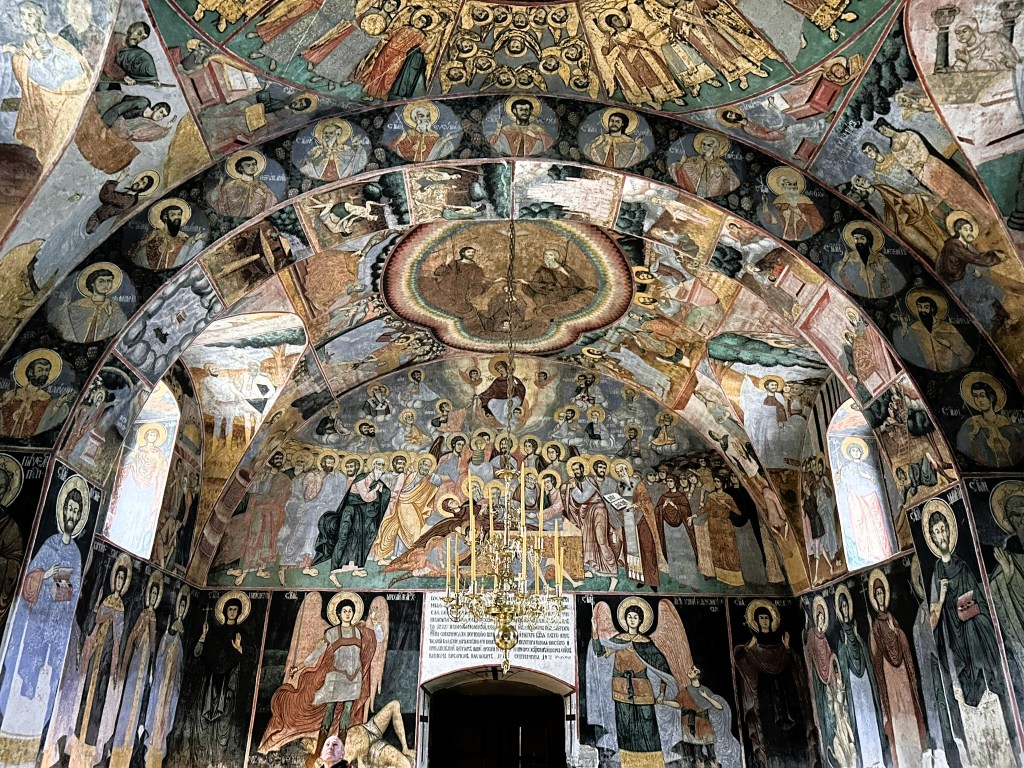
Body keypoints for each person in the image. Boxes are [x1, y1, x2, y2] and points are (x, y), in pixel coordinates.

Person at [924, 503, 1017, 762]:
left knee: (992, 681)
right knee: (966, 693)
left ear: (949, 534)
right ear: (931, 539)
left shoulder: (962, 566)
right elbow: (932, 622)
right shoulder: (935, 575)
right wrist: (942, 598)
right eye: (937, 533)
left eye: (943, 531)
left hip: (975, 629)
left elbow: (978, 597)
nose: (941, 537)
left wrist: (970, 604)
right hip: (956, 643)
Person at [588, 600, 678, 767]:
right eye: (629, 616)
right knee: (625, 727)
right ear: (625, 619)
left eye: (635, 617)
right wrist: (595, 632)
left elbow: (663, 669)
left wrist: (661, 694)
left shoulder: (646, 643)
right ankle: (627, 761)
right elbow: (600, 652)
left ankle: (653, 762)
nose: (631, 619)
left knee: (648, 727)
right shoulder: (618, 640)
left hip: (643, 690)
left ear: (641, 620)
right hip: (621, 689)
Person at [2, 1, 91, 167]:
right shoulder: (27, 45)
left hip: (67, 95)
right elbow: (31, 76)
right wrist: (23, 55)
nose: (25, 19)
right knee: (50, 141)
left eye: (29, 15)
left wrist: (29, 57)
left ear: (39, 18)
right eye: (23, 15)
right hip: (45, 99)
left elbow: (71, 69)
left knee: (61, 136)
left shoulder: (55, 40)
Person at [732, 601, 816, 766]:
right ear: (756, 621)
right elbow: (742, 661)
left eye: (767, 617)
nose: (764, 620)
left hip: (786, 695)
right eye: (761, 618)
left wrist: (786, 648)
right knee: (770, 732)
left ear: (771, 620)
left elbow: (793, 663)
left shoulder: (781, 643)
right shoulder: (754, 645)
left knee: (794, 732)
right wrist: (748, 648)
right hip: (766, 697)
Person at [315, 456, 392, 581]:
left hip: (362, 515)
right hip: (350, 512)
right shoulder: (361, 479)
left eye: (382, 466)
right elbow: (366, 497)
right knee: (344, 537)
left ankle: (357, 567)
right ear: (372, 466)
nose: (380, 468)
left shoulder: (378, 481)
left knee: (361, 539)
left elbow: (385, 494)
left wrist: (383, 489)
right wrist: (377, 490)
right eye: (377, 464)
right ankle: (335, 569)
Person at [144, 587, 189, 768]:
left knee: (167, 716)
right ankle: (149, 749)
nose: (182, 609)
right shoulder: (170, 631)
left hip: (173, 687)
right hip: (162, 682)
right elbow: (161, 652)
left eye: (184, 607)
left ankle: (160, 752)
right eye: (181, 606)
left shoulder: (184, 633)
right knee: (156, 712)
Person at [892, 291, 973, 372]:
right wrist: (904, 327)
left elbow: (967, 354)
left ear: (932, 309)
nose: (922, 310)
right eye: (919, 307)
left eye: (926, 307)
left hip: (950, 369)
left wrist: (949, 345)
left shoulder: (947, 327)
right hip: (927, 371)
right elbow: (904, 349)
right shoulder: (914, 328)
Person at [0, 351, 73, 439]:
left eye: (47, 370)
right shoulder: (11, 394)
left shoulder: (46, 398)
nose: (44, 374)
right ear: (30, 372)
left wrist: (58, 405)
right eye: (40, 370)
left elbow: (46, 420)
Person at [53, 265, 129, 343]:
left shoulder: (113, 307)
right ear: (92, 283)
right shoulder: (77, 306)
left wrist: (110, 316)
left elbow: (120, 324)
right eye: (101, 281)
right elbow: (65, 324)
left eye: (109, 281)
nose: (106, 284)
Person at [671, 132, 739, 198]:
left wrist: (725, 173)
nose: (705, 147)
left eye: (709, 145)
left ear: (715, 148)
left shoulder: (721, 164)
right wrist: (682, 163)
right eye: (703, 144)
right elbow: (678, 173)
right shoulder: (693, 160)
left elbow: (734, 182)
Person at [488, 97, 554, 156]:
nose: (524, 112)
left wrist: (535, 136)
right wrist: (497, 130)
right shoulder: (507, 129)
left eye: (526, 110)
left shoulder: (537, 130)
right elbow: (492, 146)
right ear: (514, 111)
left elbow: (550, 145)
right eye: (521, 110)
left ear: (531, 111)